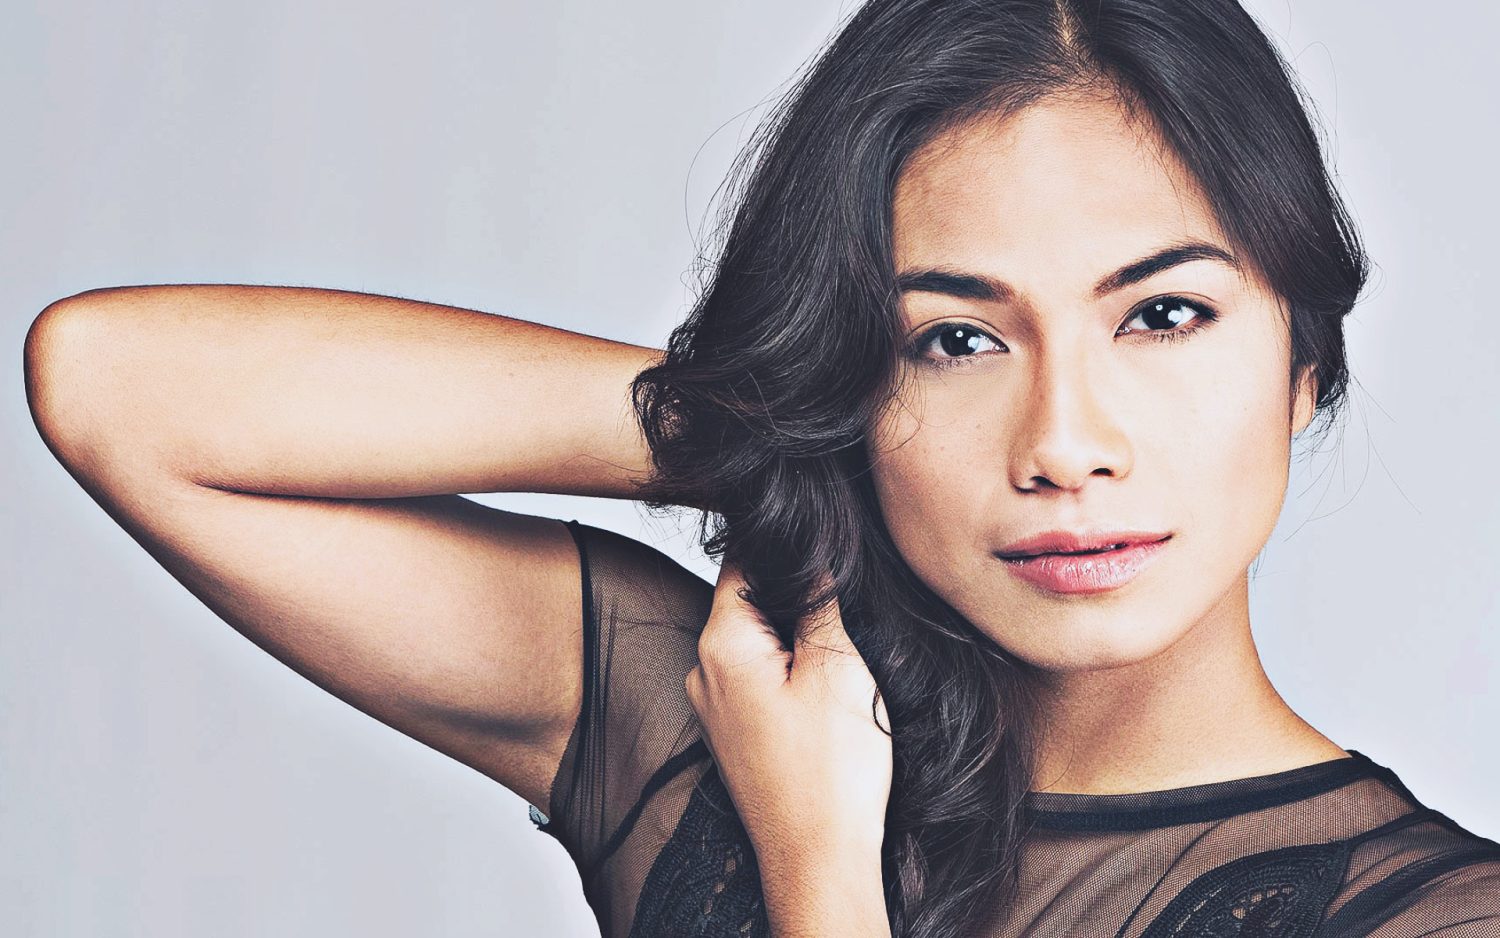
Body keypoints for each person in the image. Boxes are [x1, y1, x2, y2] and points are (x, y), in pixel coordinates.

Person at [20, 2, 1498, 938]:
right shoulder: (728, 723)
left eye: (1163, 315)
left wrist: (821, 876)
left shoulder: (1433, 916)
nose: (1063, 444)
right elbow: (115, 386)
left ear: (1305, 364)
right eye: (953, 340)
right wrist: (769, 424)